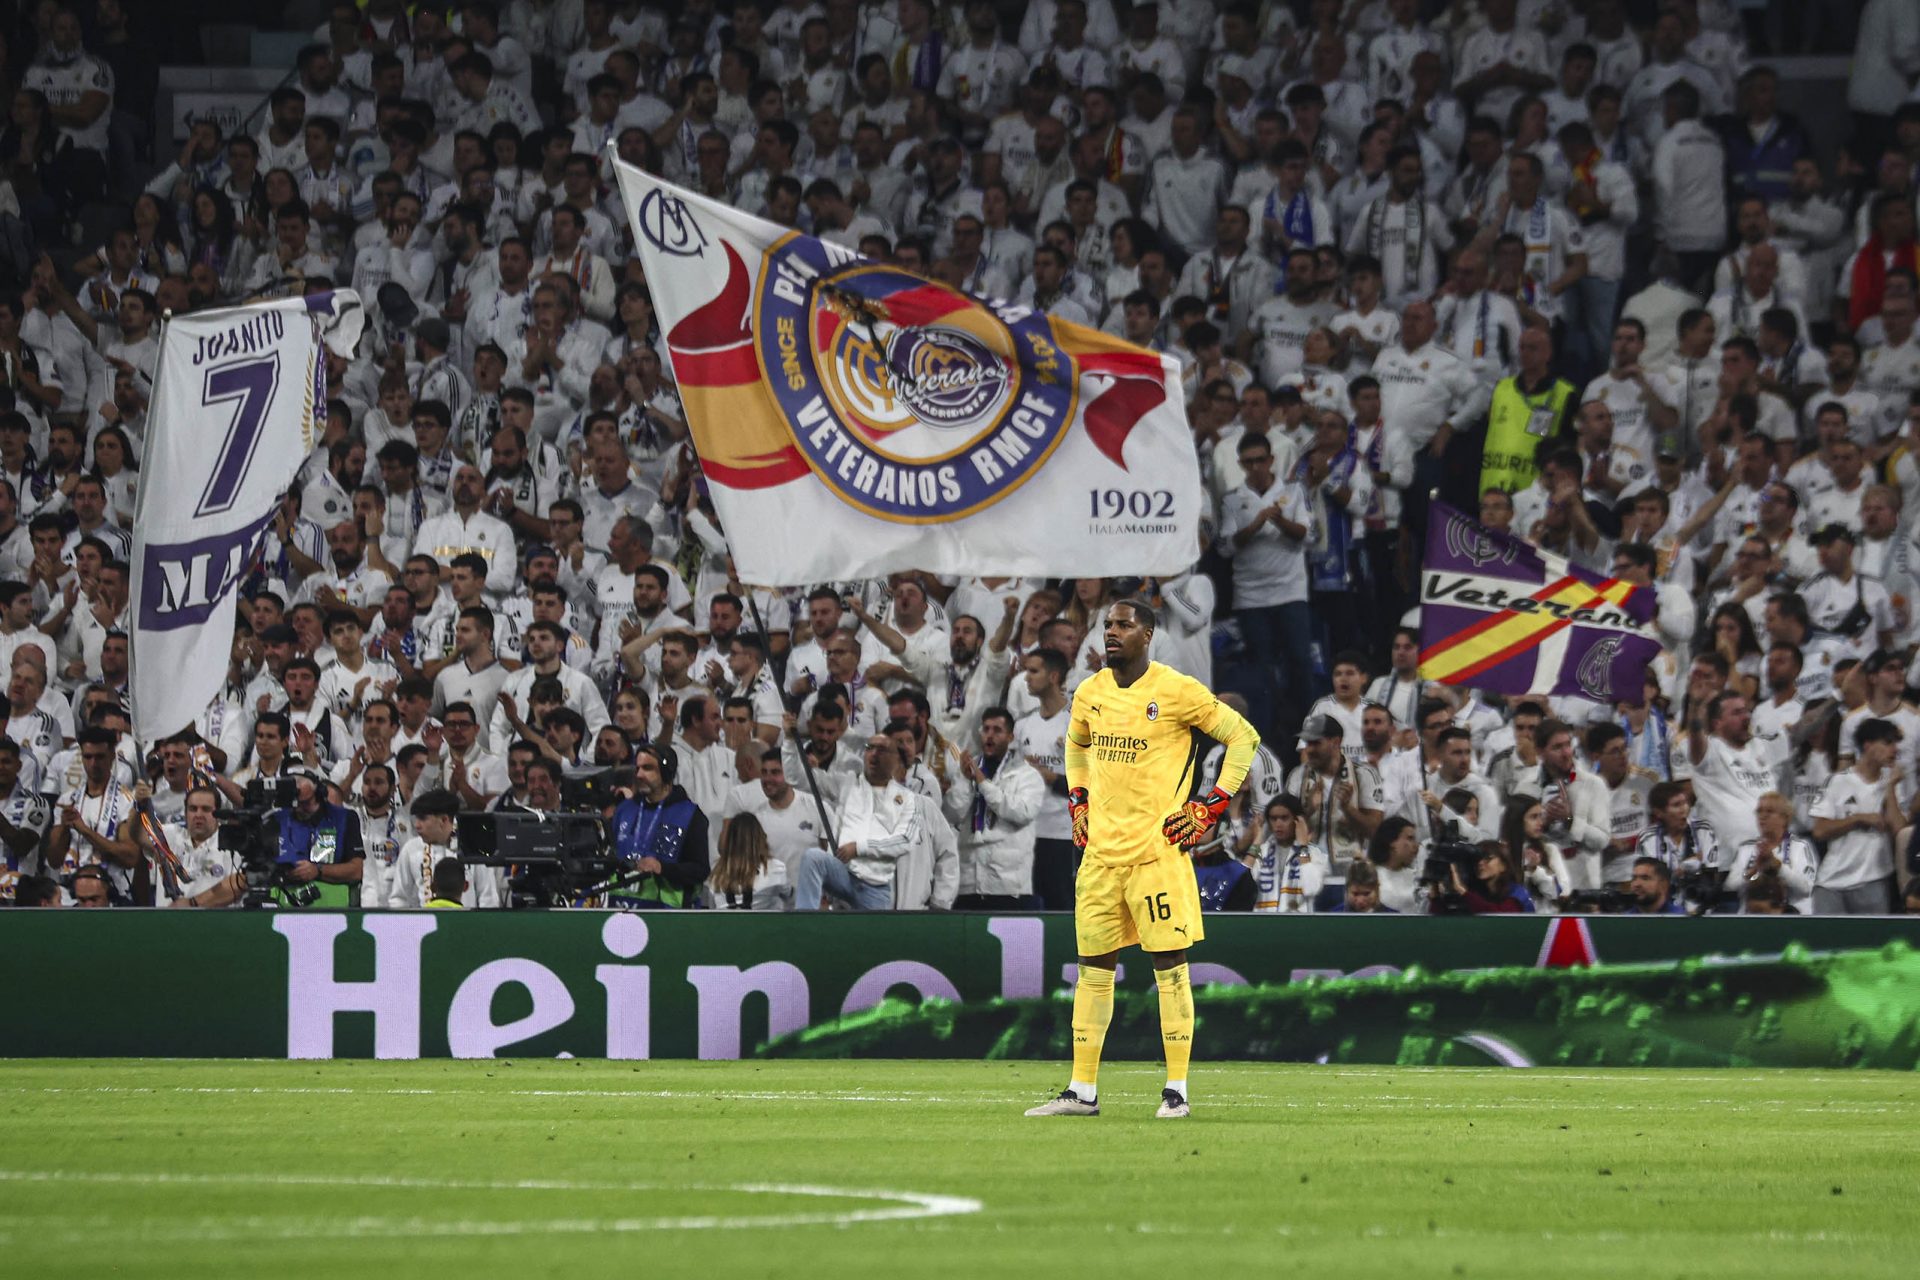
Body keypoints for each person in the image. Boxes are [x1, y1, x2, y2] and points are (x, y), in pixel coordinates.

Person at [1026, 598, 1259, 1121]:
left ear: (1147, 635)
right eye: (1107, 625)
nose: (1111, 632)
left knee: (1170, 969)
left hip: (1158, 853)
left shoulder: (1176, 690)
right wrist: (1078, 801)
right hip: (1101, 857)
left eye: (1123, 625)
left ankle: (1176, 1089)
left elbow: (1244, 737)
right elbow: (1077, 745)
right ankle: (1081, 1090)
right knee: (1092, 972)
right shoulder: (1090, 692)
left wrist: (1210, 807)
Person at [1809, 717, 1903, 915]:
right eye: (1888, 743)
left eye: (1896, 743)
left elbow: (1899, 831)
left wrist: (1891, 788)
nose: (1894, 749)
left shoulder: (1892, 783)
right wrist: (1857, 818)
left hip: (1873, 880)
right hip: (1831, 883)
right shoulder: (1837, 781)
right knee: (1825, 945)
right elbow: (1819, 830)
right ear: (1867, 746)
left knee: (1872, 945)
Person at [607, 743, 710, 909]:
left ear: (666, 773)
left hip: (667, 919)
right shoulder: (624, 809)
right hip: (621, 913)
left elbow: (700, 870)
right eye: (637, 768)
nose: (639, 774)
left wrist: (662, 868)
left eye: (648, 768)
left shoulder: (689, 815)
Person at [1726, 791, 1816, 915]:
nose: (1762, 816)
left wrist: (1778, 866)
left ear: (1785, 818)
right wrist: (1754, 871)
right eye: (1759, 811)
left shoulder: (1800, 847)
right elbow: (1730, 886)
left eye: (1769, 811)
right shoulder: (1746, 848)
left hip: (1791, 918)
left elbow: (1807, 888)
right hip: (1751, 918)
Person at [709, 811, 789, 910]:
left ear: (730, 839)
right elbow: (789, 896)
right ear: (760, 837)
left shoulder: (716, 871)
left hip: (723, 925)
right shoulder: (776, 868)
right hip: (764, 924)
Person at [1439, 843, 1535, 913]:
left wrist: (1462, 891)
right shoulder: (1477, 893)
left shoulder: (1517, 893)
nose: (1480, 863)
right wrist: (1435, 897)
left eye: (1488, 858)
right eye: (1477, 859)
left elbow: (1497, 918)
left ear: (1503, 866)